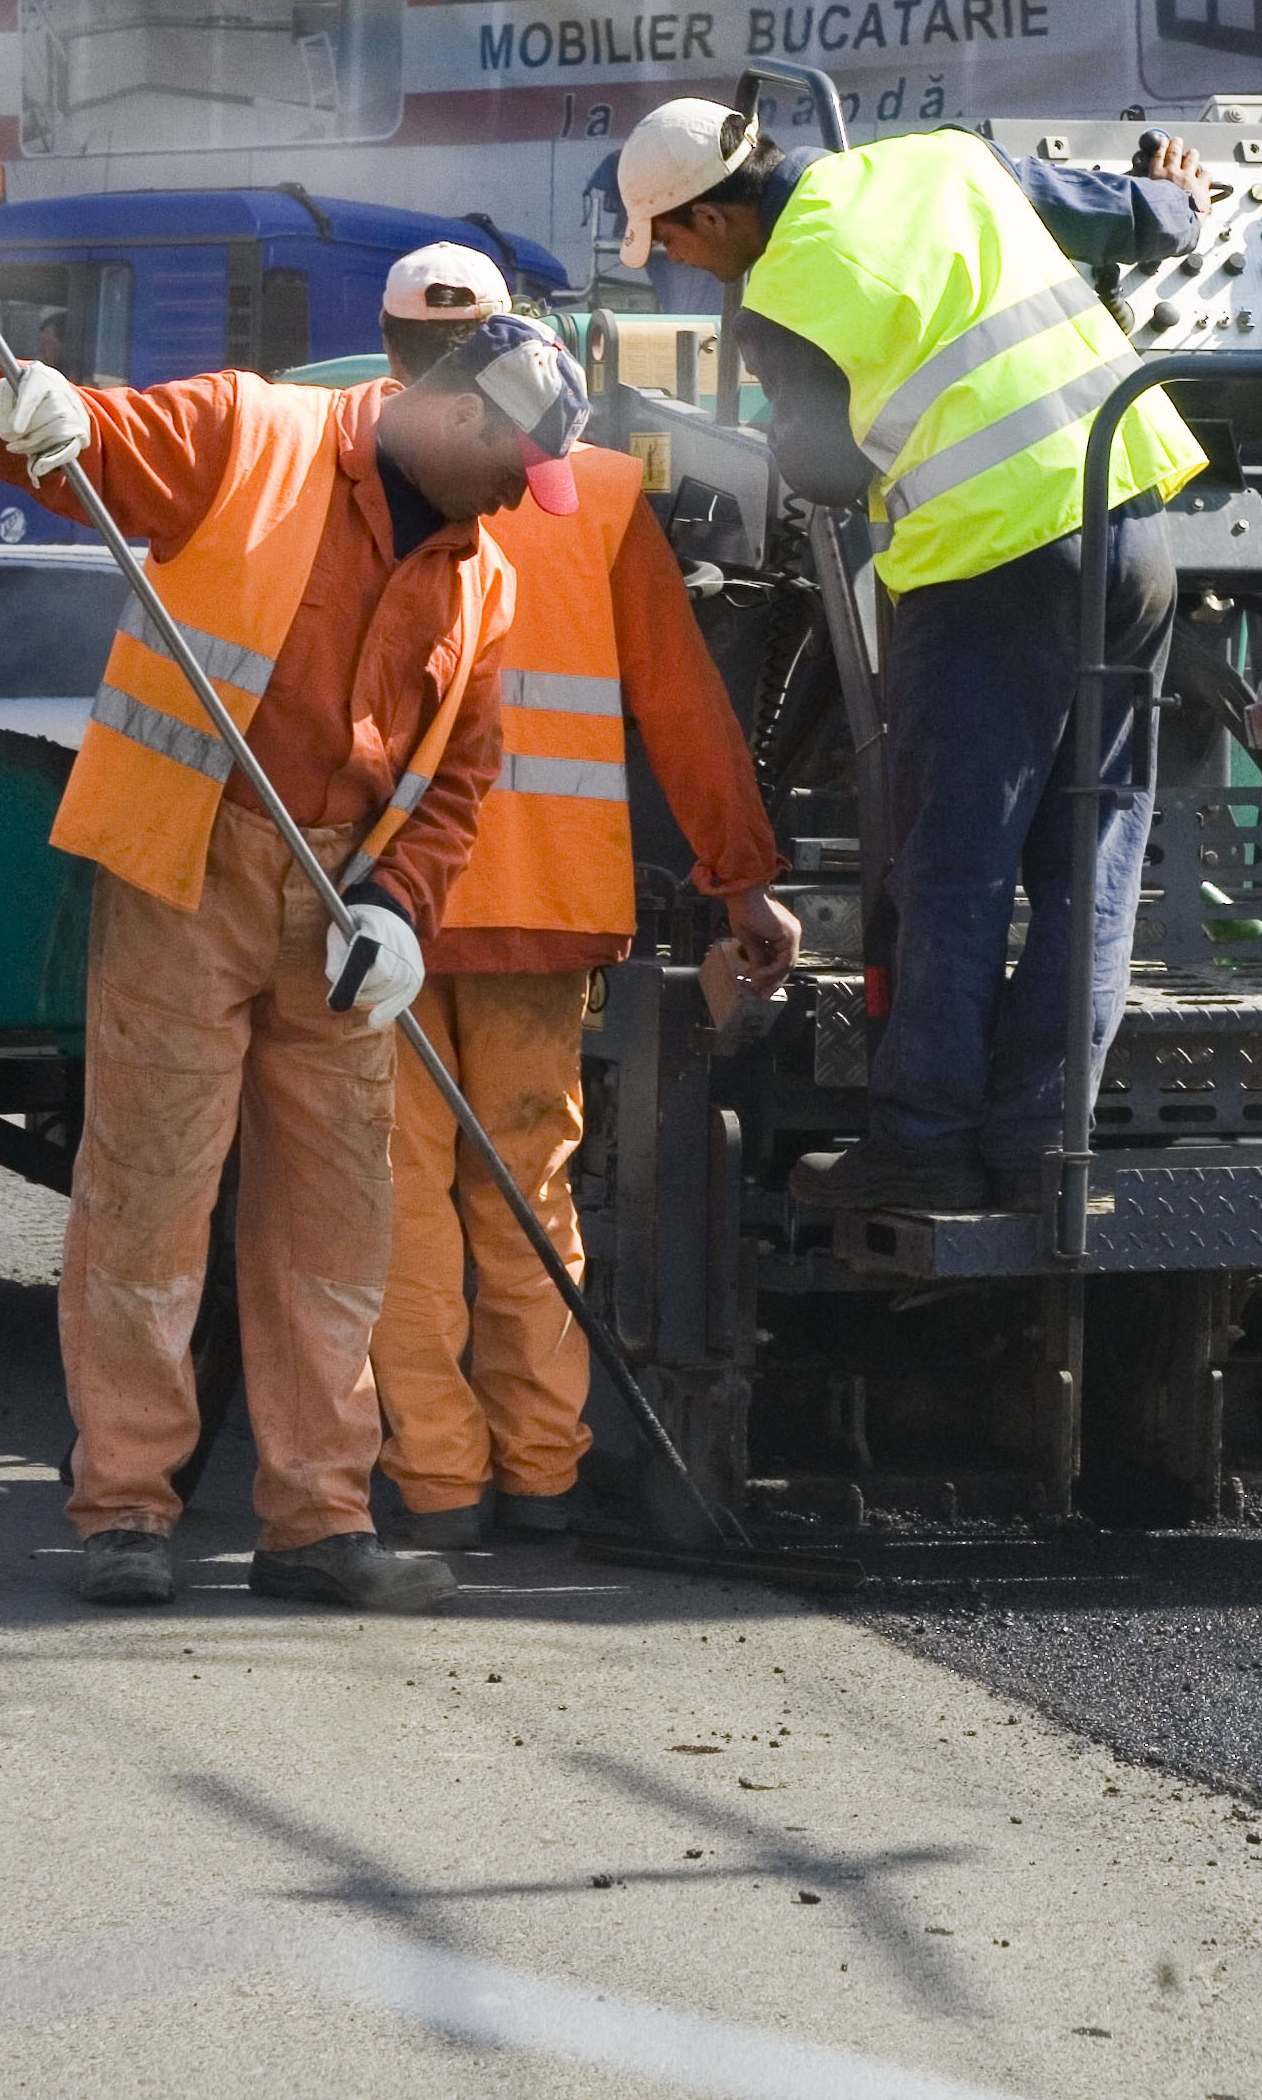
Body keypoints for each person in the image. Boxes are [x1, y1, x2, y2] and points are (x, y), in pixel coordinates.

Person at [0, 310, 587, 1613]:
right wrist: (28, 410)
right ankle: (127, 1509)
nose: (522, 500)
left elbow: (461, 775)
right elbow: (36, 425)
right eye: (517, 468)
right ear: (461, 419)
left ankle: (316, 1520)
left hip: (342, 905)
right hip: (192, 864)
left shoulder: (485, 579)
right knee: (149, 1197)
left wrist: (405, 908)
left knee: (335, 1223)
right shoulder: (254, 432)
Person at [615, 96, 1207, 1213]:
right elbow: (1142, 218)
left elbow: (829, 475)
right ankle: (1044, 1149)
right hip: (1133, 525)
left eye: (679, 244)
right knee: (1091, 858)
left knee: (955, 864)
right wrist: (1177, 195)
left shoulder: (783, 301)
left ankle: (925, 1146)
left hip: (990, 566)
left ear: (714, 213)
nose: (688, 268)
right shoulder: (943, 162)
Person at [365, 244, 798, 1551]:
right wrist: (744, 883)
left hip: (374, 903)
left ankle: (438, 1485)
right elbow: (680, 702)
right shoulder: (601, 494)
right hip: (541, 908)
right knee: (527, 1192)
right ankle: (544, 1477)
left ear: (387, 354)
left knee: (398, 1202)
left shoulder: (352, 477)